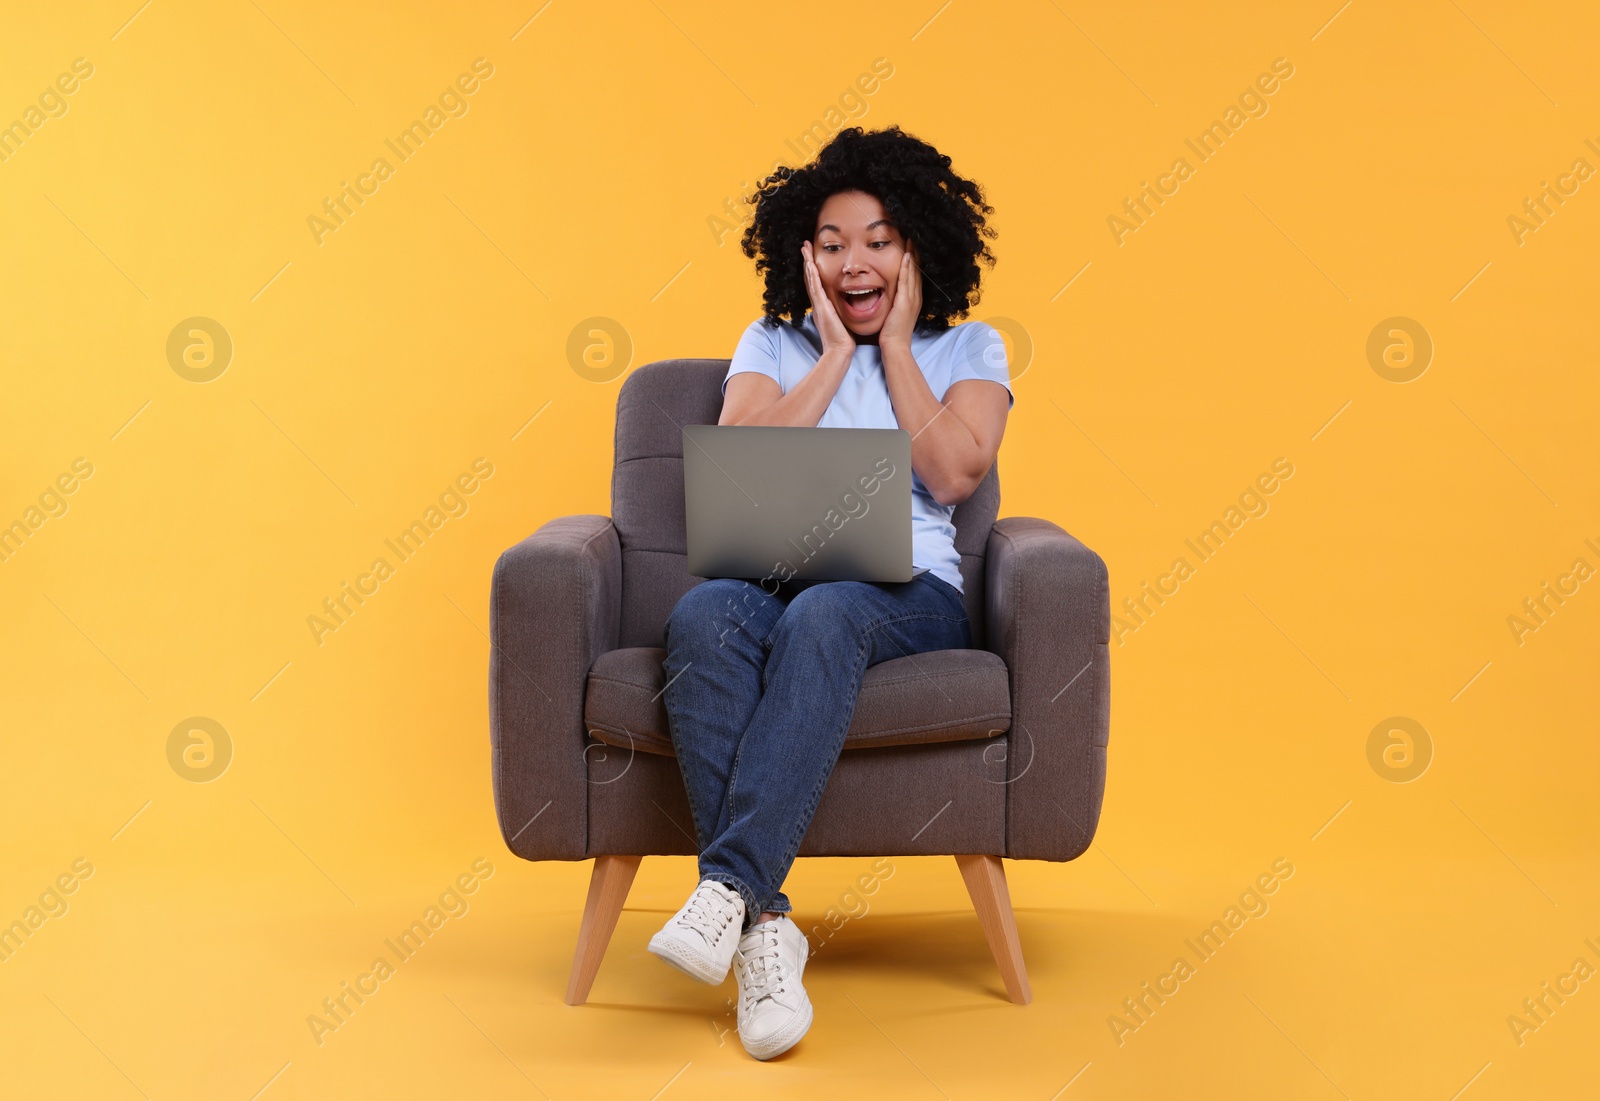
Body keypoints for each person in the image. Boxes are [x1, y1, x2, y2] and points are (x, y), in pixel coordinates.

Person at [646, 125, 1014, 1060]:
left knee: (827, 609)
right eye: (835, 243)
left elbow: (957, 472)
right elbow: (745, 452)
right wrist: (830, 357)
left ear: (918, 247)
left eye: (881, 240)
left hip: (908, 592)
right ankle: (767, 932)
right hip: (778, 576)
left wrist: (893, 347)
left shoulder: (969, 347)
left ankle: (724, 886)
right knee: (701, 613)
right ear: (803, 257)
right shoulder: (769, 340)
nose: (858, 261)